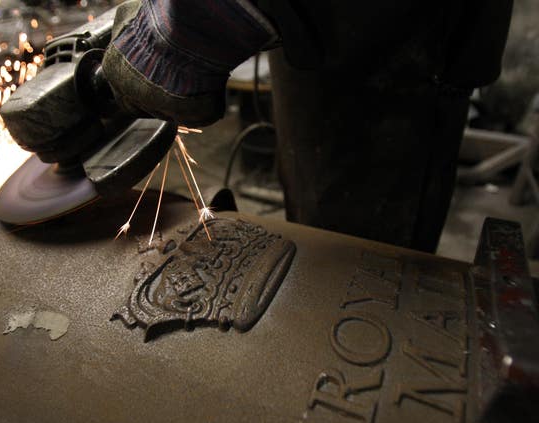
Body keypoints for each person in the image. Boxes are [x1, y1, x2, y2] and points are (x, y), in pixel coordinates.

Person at [102, 0, 512, 252]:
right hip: (315, 52)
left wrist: (173, 30)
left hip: (403, 55)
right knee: (311, 227)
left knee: (365, 267)